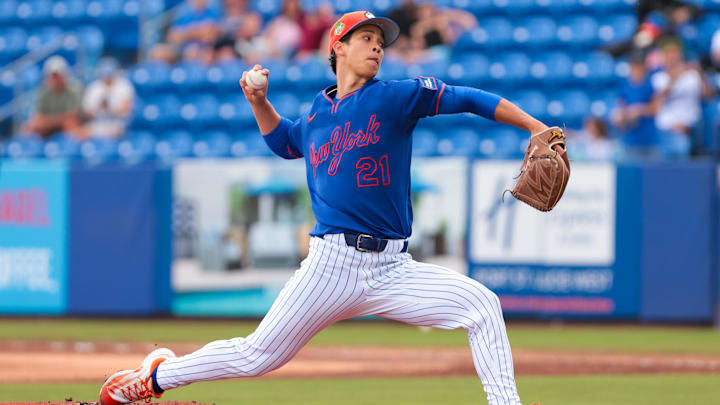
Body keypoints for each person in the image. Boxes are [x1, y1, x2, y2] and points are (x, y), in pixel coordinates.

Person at [99, 11, 549, 405]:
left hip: (394, 268)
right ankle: (154, 378)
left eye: (381, 42)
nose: (377, 48)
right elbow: (285, 142)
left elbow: (467, 98)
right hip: (331, 266)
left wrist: (533, 125)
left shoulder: (395, 96)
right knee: (257, 356)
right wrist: (259, 102)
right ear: (339, 49)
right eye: (366, 39)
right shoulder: (318, 113)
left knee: (483, 305)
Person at [650, 37, 702, 156]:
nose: (673, 56)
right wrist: (676, 75)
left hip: (692, 129)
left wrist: (701, 73)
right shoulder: (657, 77)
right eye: (669, 53)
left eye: (675, 52)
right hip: (667, 131)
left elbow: (708, 95)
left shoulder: (692, 75)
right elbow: (657, 104)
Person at [21, 55, 85, 139]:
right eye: (52, 75)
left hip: (67, 126)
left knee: (72, 127)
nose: (55, 79)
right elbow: (38, 117)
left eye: (57, 75)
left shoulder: (74, 89)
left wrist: (47, 121)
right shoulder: (43, 92)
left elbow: (72, 117)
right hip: (50, 126)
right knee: (28, 129)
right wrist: (56, 121)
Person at [611, 52, 659, 159]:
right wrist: (622, 116)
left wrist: (639, 110)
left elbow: (655, 108)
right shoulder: (625, 86)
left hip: (648, 140)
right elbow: (621, 108)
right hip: (630, 140)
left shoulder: (649, 85)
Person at [82, 57, 135, 139]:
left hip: (117, 123)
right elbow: (87, 112)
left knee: (116, 132)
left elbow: (126, 109)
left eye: (109, 74)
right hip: (97, 123)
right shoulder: (94, 87)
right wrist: (100, 107)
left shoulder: (124, 85)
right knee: (79, 133)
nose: (108, 76)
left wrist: (110, 108)